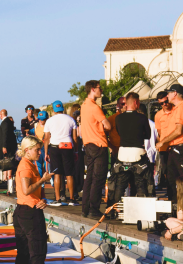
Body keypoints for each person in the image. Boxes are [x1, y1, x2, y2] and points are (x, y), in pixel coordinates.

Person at [12, 136, 55, 264]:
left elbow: (32, 192)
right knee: (37, 252)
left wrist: (42, 199)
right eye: (37, 149)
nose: (40, 152)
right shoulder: (25, 166)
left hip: (25, 210)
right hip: (29, 213)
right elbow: (27, 189)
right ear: (27, 150)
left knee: (23, 253)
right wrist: (44, 180)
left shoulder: (31, 164)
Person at [155, 84, 183, 206]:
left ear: (175, 93)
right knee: (172, 179)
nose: (167, 96)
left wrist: (163, 141)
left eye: (169, 93)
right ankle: (177, 206)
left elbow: (179, 130)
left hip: (181, 147)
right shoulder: (178, 108)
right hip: (174, 148)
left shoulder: (182, 107)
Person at [78, 81, 112, 219]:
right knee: (98, 178)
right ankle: (94, 209)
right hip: (99, 145)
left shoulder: (84, 105)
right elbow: (108, 126)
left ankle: (85, 208)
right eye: (99, 88)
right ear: (93, 89)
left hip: (88, 144)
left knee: (90, 178)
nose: (101, 90)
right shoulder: (94, 107)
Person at [111, 93, 153, 201]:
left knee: (120, 184)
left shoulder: (118, 118)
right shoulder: (142, 118)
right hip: (137, 152)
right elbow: (148, 135)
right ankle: (141, 206)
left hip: (122, 153)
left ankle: (116, 208)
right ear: (135, 102)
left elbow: (120, 133)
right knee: (140, 182)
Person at [44, 101, 78, 205]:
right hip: (67, 146)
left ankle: (58, 199)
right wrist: (76, 151)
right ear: (63, 108)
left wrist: (46, 152)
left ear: (53, 110)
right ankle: (72, 199)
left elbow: (46, 138)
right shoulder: (70, 119)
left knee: (57, 174)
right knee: (69, 174)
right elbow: (75, 138)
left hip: (55, 147)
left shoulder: (49, 121)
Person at [0, 109, 18, 186]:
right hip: (6, 146)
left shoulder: (5, 122)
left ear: (1, 114)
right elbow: (2, 132)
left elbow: (5, 135)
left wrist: (4, 146)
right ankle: (4, 179)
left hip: (4, 146)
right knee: (5, 162)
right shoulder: (7, 122)